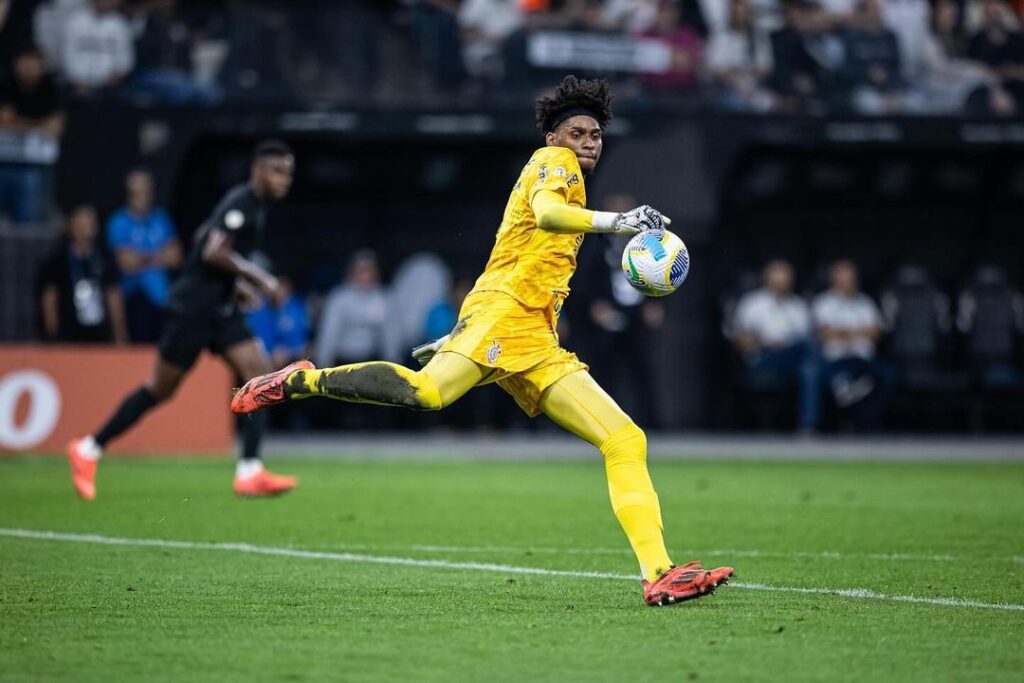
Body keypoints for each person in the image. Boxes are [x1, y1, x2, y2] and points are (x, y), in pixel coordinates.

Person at [233, 75, 734, 607]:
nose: (588, 142)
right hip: (505, 315)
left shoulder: (566, 173)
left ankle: (659, 573)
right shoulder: (555, 162)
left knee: (625, 440)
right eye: (577, 133)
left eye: (595, 135)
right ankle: (303, 380)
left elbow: (520, 251)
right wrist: (620, 221)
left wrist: (462, 329)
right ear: (554, 138)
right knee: (428, 393)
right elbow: (547, 214)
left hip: (532, 334)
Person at [67, 140, 298, 500]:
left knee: (261, 376)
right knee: (160, 389)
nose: (284, 179)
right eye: (276, 171)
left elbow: (202, 238)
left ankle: (250, 470)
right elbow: (213, 251)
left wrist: (235, 286)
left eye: (288, 173)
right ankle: (88, 449)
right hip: (193, 310)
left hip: (220, 308)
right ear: (257, 171)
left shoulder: (253, 206)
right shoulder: (242, 201)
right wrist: (261, 279)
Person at [732, 260, 821, 432]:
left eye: (786, 276)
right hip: (763, 357)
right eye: (778, 275)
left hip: (792, 359)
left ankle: (808, 426)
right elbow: (741, 340)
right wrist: (766, 341)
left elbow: (808, 336)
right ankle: (840, 385)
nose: (782, 280)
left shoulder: (798, 306)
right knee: (809, 351)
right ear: (767, 277)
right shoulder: (752, 303)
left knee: (809, 370)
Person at [812, 260, 893, 430]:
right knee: (833, 378)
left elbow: (876, 333)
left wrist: (842, 332)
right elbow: (825, 334)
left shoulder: (865, 303)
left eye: (850, 278)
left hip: (863, 359)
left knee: (886, 376)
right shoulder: (823, 302)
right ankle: (846, 396)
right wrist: (860, 331)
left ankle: (866, 424)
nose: (847, 282)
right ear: (833, 279)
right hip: (835, 360)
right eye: (843, 278)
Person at [107, 168, 182, 343]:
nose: (143, 197)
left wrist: (141, 258)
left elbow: (176, 258)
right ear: (128, 194)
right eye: (137, 193)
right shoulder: (119, 222)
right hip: (134, 299)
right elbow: (126, 263)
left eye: (146, 192)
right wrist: (159, 256)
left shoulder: (161, 219)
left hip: (162, 299)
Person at [37, 204, 128, 344]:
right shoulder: (57, 261)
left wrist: (119, 335)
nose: (87, 225)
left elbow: (113, 296)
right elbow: (50, 299)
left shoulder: (104, 259)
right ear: (71, 225)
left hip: (100, 337)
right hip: (68, 337)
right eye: (82, 221)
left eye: (90, 220)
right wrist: (52, 337)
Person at [0, 43, 64, 222]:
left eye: (34, 62)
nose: (30, 67)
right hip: (3, 159)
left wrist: (18, 122)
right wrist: (39, 125)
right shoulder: (6, 83)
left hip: (37, 164)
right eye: (26, 61)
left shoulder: (51, 87)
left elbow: (56, 128)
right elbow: (3, 122)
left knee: (31, 183)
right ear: (17, 63)